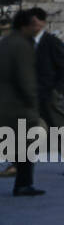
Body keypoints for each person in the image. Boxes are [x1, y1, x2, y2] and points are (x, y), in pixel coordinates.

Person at [31, 8, 64, 176]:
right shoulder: (26, 42)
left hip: (50, 94)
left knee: (59, 129)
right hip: (32, 94)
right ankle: (17, 164)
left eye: (37, 22)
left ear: (43, 23)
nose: (34, 26)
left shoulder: (51, 42)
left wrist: (57, 90)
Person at [0, 10, 44, 196]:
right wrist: (33, 103)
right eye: (34, 24)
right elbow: (25, 79)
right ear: (25, 26)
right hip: (18, 106)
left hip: (5, 103)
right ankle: (23, 184)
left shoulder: (6, 43)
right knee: (27, 145)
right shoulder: (22, 46)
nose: (38, 28)